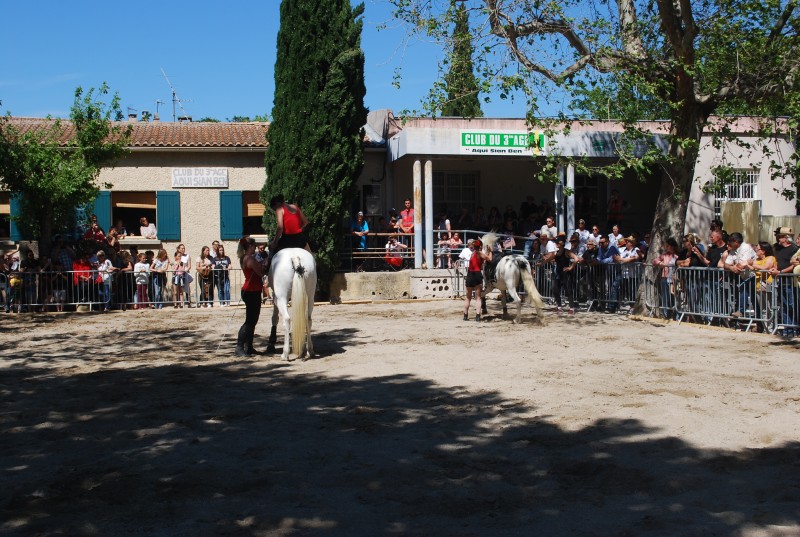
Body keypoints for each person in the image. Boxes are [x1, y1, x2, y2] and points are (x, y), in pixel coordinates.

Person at [235, 237, 266, 356]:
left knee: (253, 320)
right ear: (249, 247)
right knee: (250, 321)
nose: (255, 248)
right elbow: (261, 272)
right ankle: (239, 346)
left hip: (252, 290)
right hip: (251, 290)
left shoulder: (245, 258)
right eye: (254, 246)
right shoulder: (249, 259)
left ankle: (249, 346)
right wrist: (267, 263)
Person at [769, 227, 799, 337]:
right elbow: (777, 261)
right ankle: (787, 329)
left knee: (792, 306)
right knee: (784, 306)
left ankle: (794, 328)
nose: (777, 238)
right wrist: (775, 269)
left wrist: (780, 272)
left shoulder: (794, 249)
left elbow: (793, 264)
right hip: (781, 282)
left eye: (780, 237)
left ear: (785, 238)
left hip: (791, 282)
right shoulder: (778, 249)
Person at [463, 239, 491, 322]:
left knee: (468, 298)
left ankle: (465, 315)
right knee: (478, 298)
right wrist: (490, 251)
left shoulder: (472, 254)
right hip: (477, 274)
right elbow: (490, 259)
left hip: (470, 274)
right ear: (480, 246)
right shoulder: (480, 253)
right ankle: (478, 316)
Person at [652, 238, 679, 320]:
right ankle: (666, 314)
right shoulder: (664, 255)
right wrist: (661, 263)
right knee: (665, 296)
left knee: (674, 296)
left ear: (672, 246)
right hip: (665, 277)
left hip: (674, 279)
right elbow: (654, 261)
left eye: (668, 246)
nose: (666, 247)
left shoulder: (677, 256)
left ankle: (675, 314)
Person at [552, 236, 579, 313]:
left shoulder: (566, 251)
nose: (556, 243)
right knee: (555, 289)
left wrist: (570, 267)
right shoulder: (556, 253)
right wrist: (542, 263)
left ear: (562, 243)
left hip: (566, 274)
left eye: (558, 242)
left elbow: (576, 259)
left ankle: (571, 308)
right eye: (556, 242)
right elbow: (549, 259)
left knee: (568, 290)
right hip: (558, 273)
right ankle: (559, 307)